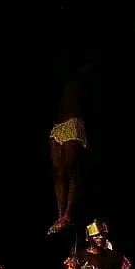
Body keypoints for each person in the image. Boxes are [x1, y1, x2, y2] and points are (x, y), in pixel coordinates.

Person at [48, 56, 90, 235]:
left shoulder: (78, 76)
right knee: (58, 171)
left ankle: (68, 214)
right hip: (58, 125)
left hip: (73, 122)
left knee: (72, 169)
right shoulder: (58, 77)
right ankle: (60, 216)